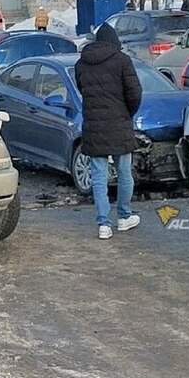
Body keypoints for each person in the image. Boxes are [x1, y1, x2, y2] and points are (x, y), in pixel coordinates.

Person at [75, 24, 142, 240]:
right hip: (120, 125)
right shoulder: (123, 61)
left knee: (98, 177)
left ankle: (103, 224)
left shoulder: (81, 64)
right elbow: (135, 93)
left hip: (94, 126)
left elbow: (82, 90)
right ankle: (124, 217)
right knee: (124, 173)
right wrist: (127, 113)